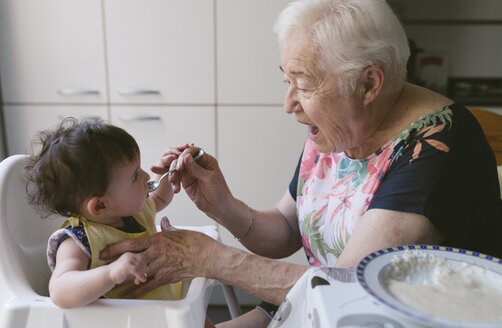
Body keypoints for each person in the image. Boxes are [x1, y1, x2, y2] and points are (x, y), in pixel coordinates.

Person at [101, 0, 502, 326]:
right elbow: (287, 229)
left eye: (304, 84)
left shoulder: (436, 145)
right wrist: (220, 204)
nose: (289, 103)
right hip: (308, 309)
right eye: (286, 81)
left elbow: (348, 286)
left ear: (369, 84)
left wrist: (209, 259)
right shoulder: (343, 127)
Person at [24, 118, 186, 308]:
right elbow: (60, 292)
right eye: (135, 176)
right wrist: (111, 273)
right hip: (126, 320)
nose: (147, 176)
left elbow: (159, 199)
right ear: (100, 206)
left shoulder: (131, 213)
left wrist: (166, 170)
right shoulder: (78, 242)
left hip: (165, 304)